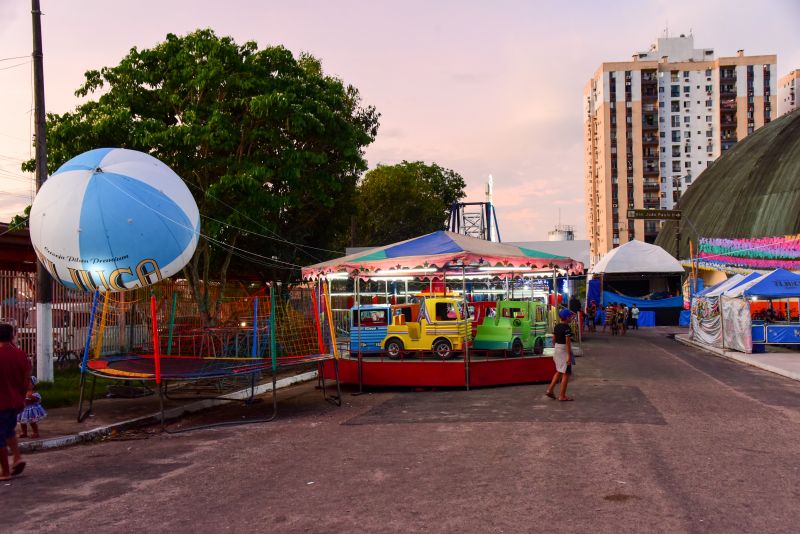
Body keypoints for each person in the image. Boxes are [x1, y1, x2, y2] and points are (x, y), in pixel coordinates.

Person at [0, 323, 30, 481]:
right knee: (9, 431)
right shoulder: (20, 354)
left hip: (1, 403)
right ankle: (17, 457)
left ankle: (5, 472)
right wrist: (22, 397)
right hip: (15, 402)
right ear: (12, 336)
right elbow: (26, 380)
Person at [545, 309, 574, 402]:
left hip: (557, 348)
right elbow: (567, 342)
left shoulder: (557, 326)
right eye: (570, 317)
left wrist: (556, 347)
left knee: (559, 371)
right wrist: (569, 355)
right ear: (566, 318)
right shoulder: (567, 328)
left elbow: (553, 339)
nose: (571, 318)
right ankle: (562, 396)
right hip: (564, 350)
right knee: (566, 373)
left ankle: (550, 390)